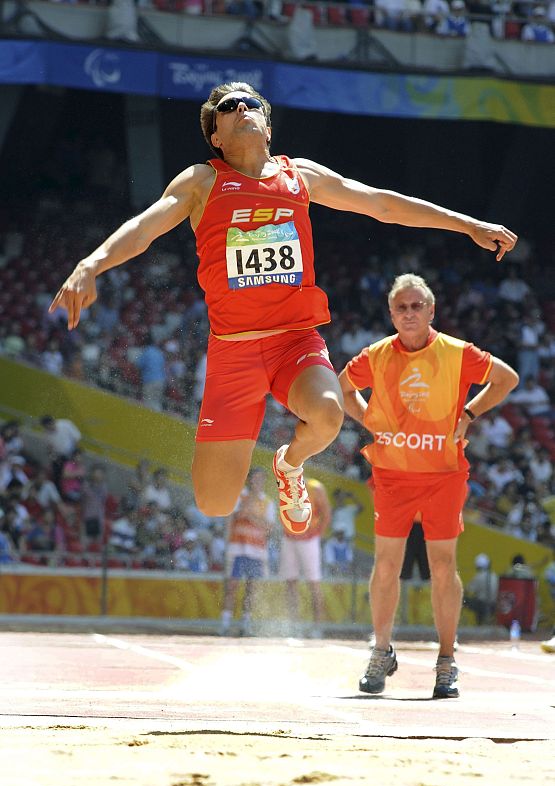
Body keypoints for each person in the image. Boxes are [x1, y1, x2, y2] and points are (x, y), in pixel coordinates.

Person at [48, 82, 518, 537]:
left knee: (330, 414)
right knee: (213, 503)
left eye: (251, 103)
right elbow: (144, 227)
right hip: (233, 354)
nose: (242, 108)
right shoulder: (203, 181)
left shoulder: (301, 176)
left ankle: (289, 466)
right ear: (216, 136)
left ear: (268, 128)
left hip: (294, 340)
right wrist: (92, 264)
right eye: (230, 106)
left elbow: (381, 205)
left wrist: (468, 224)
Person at [338, 272, 519, 699]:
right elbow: (342, 389)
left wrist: (470, 414)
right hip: (393, 474)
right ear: (391, 313)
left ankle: (446, 661)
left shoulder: (458, 353)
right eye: (401, 307)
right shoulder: (376, 355)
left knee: (443, 566)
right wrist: (371, 420)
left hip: (443, 475)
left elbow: (507, 378)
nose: (409, 313)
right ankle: (380, 651)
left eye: (417, 306)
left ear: (431, 310)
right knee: (386, 565)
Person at [220, 467, 276, 636]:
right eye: (255, 478)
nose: (258, 482)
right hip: (237, 547)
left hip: (257, 551)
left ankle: (246, 624)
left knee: (251, 589)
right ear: (249, 480)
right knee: (231, 587)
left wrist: (250, 515)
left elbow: (269, 527)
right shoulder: (239, 496)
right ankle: (225, 624)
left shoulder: (268, 502)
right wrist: (252, 514)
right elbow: (235, 516)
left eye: (261, 479)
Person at [280, 477, 330, 637]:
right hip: (289, 538)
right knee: (290, 582)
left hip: (309, 539)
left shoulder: (316, 487)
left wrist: (317, 535)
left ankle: (318, 626)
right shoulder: (285, 485)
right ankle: (293, 626)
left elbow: (326, 514)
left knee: (314, 583)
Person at [464, 553, 499, 625]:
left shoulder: (478, 577)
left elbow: (467, 591)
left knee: (461, 599)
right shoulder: (494, 575)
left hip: (482, 605)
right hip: (494, 605)